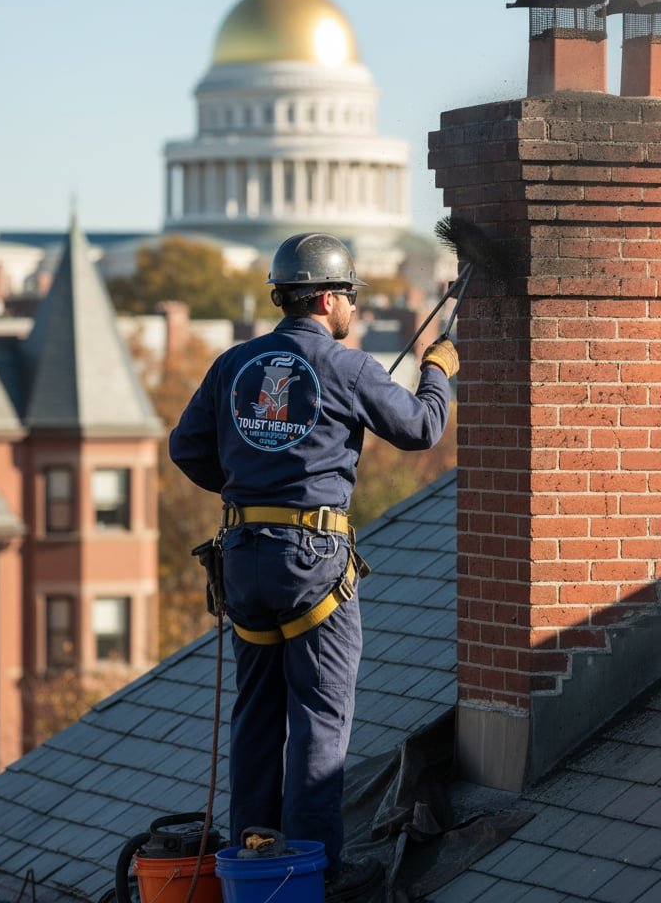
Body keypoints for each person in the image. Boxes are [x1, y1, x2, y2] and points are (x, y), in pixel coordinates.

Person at [168, 232, 457, 901]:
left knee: (256, 716)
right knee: (319, 718)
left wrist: (250, 486)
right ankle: (313, 869)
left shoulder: (234, 364)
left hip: (245, 560)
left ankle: (254, 853)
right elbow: (421, 428)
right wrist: (437, 369)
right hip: (310, 565)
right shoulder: (347, 366)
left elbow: (187, 448)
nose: (354, 306)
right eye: (350, 295)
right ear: (327, 299)